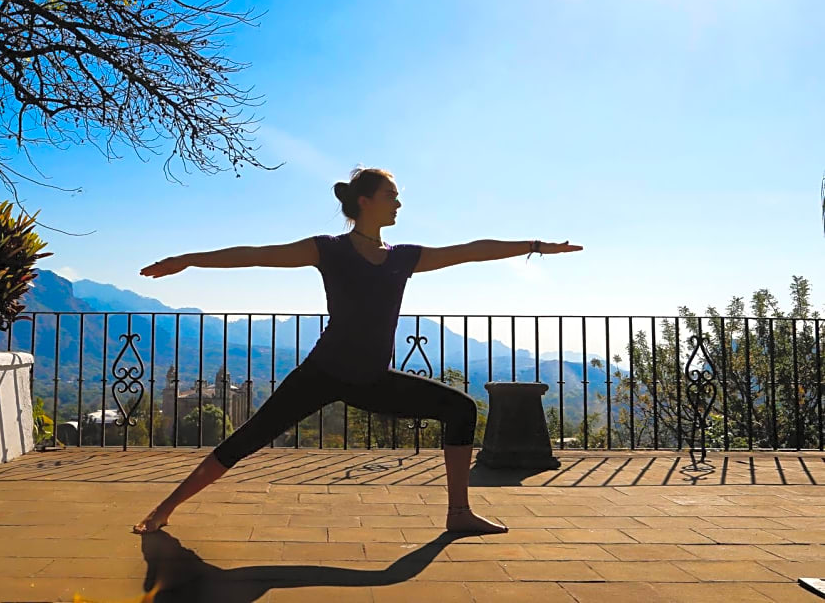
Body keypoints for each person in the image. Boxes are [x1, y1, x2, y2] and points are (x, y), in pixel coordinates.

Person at [133, 167, 582, 535]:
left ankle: (458, 514)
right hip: (324, 372)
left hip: (371, 379)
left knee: (460, 408)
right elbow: (256, 254)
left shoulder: (404, 256)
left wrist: (536, 246)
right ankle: (164, 509)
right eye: (392, 194)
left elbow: (469, 251)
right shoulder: (327, 249)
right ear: (365, 200)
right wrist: (190, 258)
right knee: (249, 437)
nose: (399, 203)